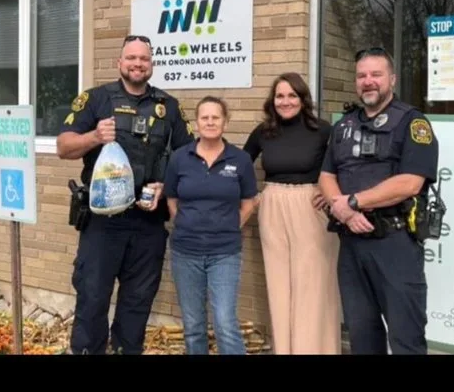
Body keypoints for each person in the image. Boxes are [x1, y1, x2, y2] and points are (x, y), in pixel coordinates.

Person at [56, 35, 195, 355]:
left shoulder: (168, 106)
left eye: (143, 59)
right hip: (103, 222)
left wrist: (166, 187)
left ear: (151, 65)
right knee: (92, 298)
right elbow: (63, 147)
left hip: (148, 221)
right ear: (119, 63)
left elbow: (188, 157)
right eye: (131, 58)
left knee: (137, 302)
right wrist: (94, 136)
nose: (137, 64)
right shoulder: (95, 99)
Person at [317, 47, 439, 355]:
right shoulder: (344, 125)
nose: (368, 81)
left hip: (394, 244)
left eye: (376, 74)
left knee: (406, 337)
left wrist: (354, 202)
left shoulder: (413, 123)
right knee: (361, 334)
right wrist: (343, 210)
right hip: (352, 245)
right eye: (361, 75)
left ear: (392, 80)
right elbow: (326, 176)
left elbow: (410, 182)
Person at [242, 72, 341, 355]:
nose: (285, 102)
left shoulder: (323, 130)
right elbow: (239, 163)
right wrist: (251, 196)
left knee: (312, 284)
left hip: (311, 207)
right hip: (273, 206)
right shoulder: (263, 132)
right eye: (280, 96)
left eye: (291, 95)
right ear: (273, 101)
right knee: (279, 283)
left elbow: (344, 165)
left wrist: (334, 191)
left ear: (302, 98)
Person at [163, 96, 258, 355]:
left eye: (216, 117)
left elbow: (249, 201)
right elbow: (172, 198)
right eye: (205, 117)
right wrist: (183, 222)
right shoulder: (180, 158)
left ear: (225, 122)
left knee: (225, 322)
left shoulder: (239, 159)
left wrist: (230, 225)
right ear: (197, 122)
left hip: (224, 252)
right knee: (193, 325)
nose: (210, 122)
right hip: (185, 251)